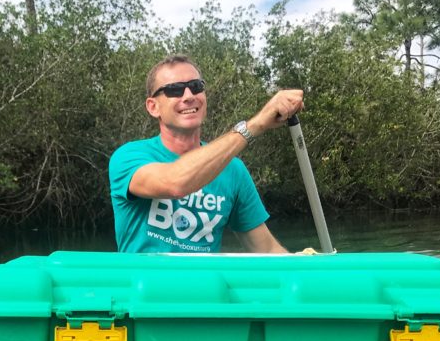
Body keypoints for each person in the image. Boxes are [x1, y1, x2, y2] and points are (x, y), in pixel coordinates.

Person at [109, 55, 304, 254]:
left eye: (195, 86)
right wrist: (254, 126)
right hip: (144, 283)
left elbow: (268, 250)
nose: (188, 96)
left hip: (205, 285)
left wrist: (308, 272)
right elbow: (174, 184)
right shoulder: (128, 157)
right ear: (153, 106)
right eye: (174, 89)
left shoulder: (233, 170)